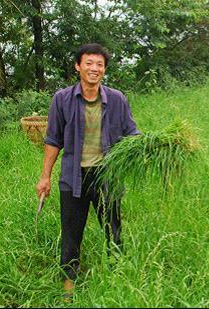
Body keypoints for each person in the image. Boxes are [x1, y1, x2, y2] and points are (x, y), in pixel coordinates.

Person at [35, 43, 140, 297]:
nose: (94, 69)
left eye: (100, 65)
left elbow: (132, 133)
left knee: (113, 230)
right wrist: (45, 176)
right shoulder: (62, 99)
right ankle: (68, 288)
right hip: (73, 178)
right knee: (71, 234)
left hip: (107, 176)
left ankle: (117, 279)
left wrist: (147, 145)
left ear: (104, 69)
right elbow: (52, 140)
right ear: (78, 66)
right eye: (89, 63)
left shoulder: (117, 99)